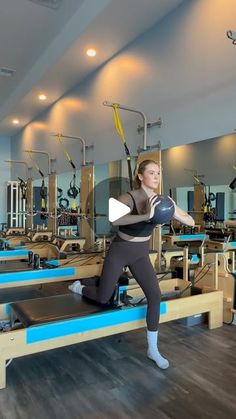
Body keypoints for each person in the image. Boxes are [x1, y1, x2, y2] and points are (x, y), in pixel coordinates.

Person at [69, 160, 195, 369]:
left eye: (158, 173)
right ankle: (79, 287)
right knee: (104, 297)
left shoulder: (164, 200)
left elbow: (190, 220)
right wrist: (148, 215)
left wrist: (173, 211)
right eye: (151, 172)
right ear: (140, 175)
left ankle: (152, 349)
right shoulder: (127, 197)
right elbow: (115, 220)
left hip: (140, 253)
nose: (156, 177)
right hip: (120, 251)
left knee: (155, 295)